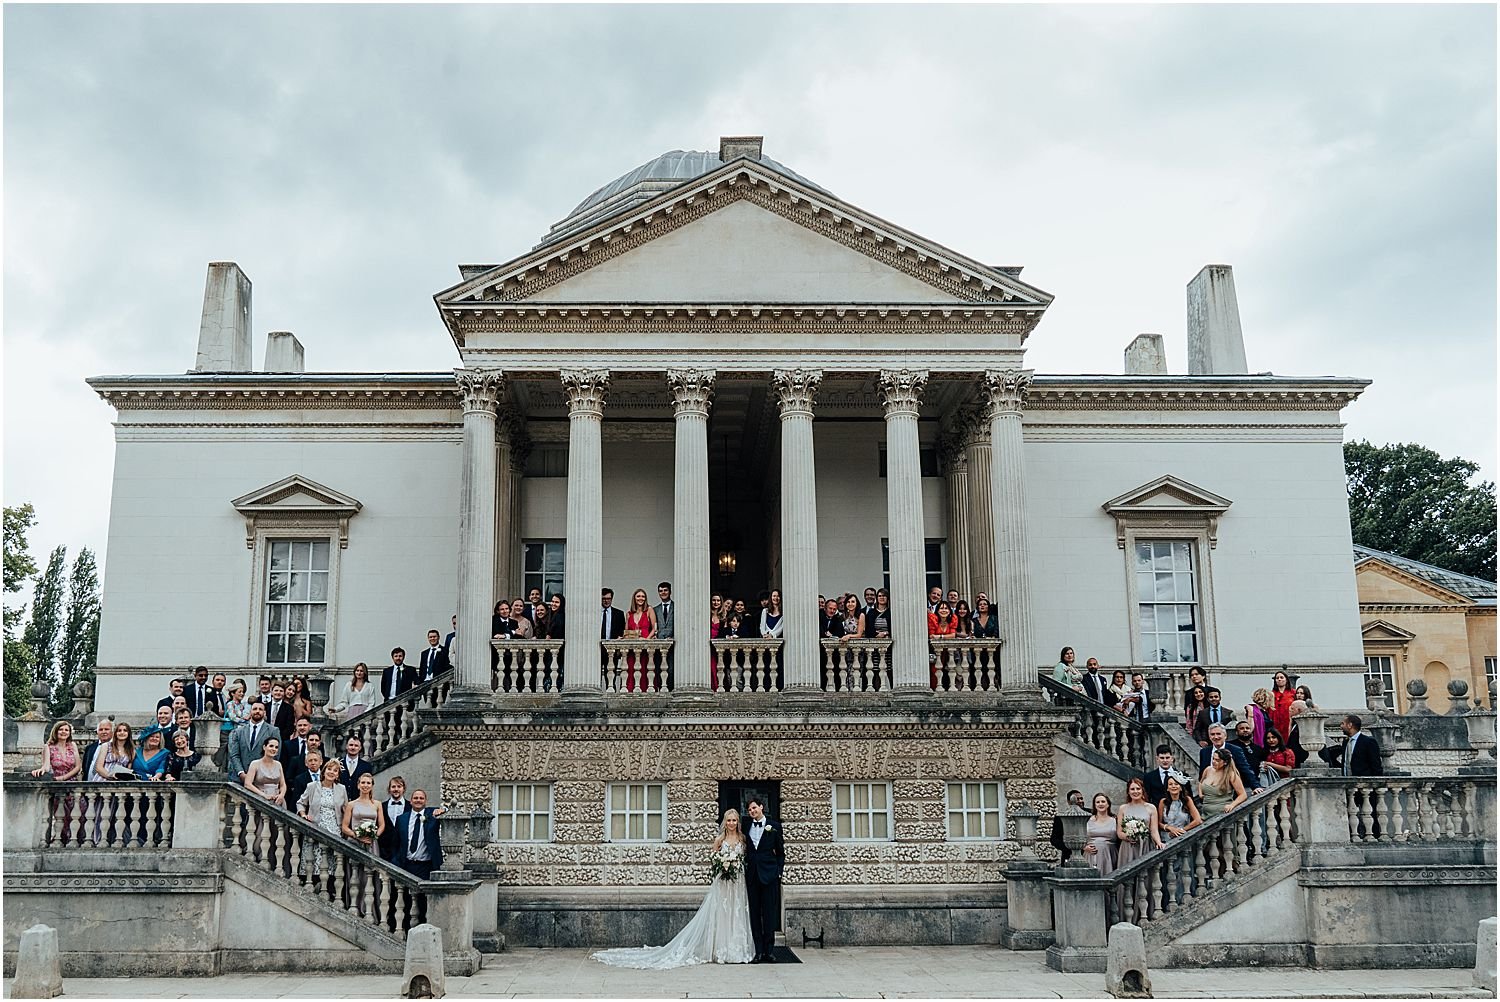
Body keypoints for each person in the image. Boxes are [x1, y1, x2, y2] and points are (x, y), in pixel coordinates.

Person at [591, 807, 755, 968]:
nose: (731, 823)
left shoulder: (743, 839)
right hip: (724, 882)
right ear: (725, 822)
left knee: (737, 912)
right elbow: (714, 860)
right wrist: (723, 865)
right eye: (729, 820)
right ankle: (722, 950)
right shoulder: (719, 840)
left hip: (738, 881)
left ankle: (738, 950)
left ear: (737, 822)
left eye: (734, 820)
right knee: (723, 913)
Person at [742, 796, 785, 963]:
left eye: (754, 808)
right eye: (750, 810)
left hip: (769, 876)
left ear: (761, 807)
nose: (752, 811)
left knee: (769, 914)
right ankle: (758, 951)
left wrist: (778, 872)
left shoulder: (774, 826)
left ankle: (769, 951)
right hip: (752, 876)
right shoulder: (746, 825)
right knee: (754, 915)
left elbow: (780, 852)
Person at [297, 759, 348, 881]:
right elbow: (300, 803)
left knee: (330, 866)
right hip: (316, 828)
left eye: (335, 771)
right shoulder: (312, 786)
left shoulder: (342, 789)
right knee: (313, 864)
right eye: (329, 769)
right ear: (324, 771)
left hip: (334, 830)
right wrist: (303, 815)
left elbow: (346, 810)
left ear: (338, 775)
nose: (332, 772)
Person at [393, 788, 445, 880]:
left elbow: (449, 810)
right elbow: (396, 843)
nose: (418, 800)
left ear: (425, 801)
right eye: (415, 798)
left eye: (421, 798)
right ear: (411, 801)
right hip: (406, 865)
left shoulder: (433, 815)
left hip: (426, 866)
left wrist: (443, 809)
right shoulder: (401, 819)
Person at [1115, 777, 1164, 868]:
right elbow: (1119, 832)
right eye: (1132, 789)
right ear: (1128, 792)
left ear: (1142, 791)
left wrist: (1158, 842)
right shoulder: (1123, 808)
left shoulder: (1151, 808)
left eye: (1138, 788)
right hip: (1128, 846)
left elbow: (1154, 830)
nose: (1135, 791)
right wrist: (1129, 836)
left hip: (1144, 844)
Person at [228, 700, 279, 786]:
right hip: (239, 779)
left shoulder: (273, 731)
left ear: (265, 712)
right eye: (255, 709)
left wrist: (261, 774)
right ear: (250, 712)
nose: (257, 711)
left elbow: (275, 755)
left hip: (262, 780)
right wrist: (241, 773)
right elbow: (234, 755)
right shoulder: (238, 731)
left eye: (260, 709)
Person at [1199, 723, 1261, 795]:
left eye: (1218, 734)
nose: (1216, 737)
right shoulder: (1204, 752)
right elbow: (1202, 774)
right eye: (1212, 734)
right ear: (1209, 737)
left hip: (1231, 792)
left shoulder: (1235, 750)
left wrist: (1256, 786)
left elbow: (1245, 769)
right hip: (1210, 792)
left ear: (1225, 736)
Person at [1319, 714, 1383, 776]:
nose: (1341, 726)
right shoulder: (1345, 742)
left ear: (1350, 725)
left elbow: (1376, 765)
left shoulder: (1368, 742)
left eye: (1343, 724)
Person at [342, 772, 385, 853]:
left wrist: (374, 836)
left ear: (372, 786)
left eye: (368, 783)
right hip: (355, 842)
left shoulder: (377, 804)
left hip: (371, 842)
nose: (365, 785)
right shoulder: (351, 804)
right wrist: (357, 836)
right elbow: (344, 827)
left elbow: (382, 825)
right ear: (358, 785)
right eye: (363, 782)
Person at [1199, 746, 1248, 815]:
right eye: (1213, 759)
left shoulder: (1231, 775)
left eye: (1217, 760)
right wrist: (1200, 794)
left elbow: (1243, 794)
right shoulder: (1208, 770)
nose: (1213, 762)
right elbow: (1200, 782)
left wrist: (1232, 805)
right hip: (1205, 812)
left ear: (1225, 762)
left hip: (1222, 813)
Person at [1081, 792, 1118, 876]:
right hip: (1090, 855)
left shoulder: (1115, 819)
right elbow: (1079, 837)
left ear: (1108, 804)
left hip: (1109, 855)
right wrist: (1084, 847)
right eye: (1098, 802)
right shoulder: (1087, 819)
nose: (1100, 804)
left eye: (1103, 801)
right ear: (1094, 805)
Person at [1158, 773, 1201, 842]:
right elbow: (1159, 823)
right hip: (1167, 837)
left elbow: (1198, 820)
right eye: (1170, 784)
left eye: (1176, 784)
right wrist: (1169, 828)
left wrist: (1181, 830)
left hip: (1184, 836)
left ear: (1181, 788)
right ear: (1167, 788)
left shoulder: (1187, 800)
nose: (1173, 786)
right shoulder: (1163, 802)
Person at [245, 736, 286, 806]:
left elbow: (283, 784)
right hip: (260, 800)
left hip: (278, 801)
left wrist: (281, 795)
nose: (274, 749)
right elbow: (247, 784)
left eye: (276, 747)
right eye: (271, 746)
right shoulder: (255, 764)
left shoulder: (278, 764)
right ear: (264, 747)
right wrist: (263, 795)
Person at [378, 776, 410, 860]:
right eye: (393, 786)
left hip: (404, 849)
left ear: (404, 789)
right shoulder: (381, 806)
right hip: (385, 850)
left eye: (399, 786)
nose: (396, 789)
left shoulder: (410, 806)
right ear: (389, 789)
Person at [927, 600, 958, 688]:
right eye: (941, 608)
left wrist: (940, 636)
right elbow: (932, 636)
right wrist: (943, 636)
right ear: (937, 610)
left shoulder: (952, 620)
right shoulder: (933, 620)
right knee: (934, 671)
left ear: (949, 610)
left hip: (948, 652)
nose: (943, 610)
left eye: (946, 608)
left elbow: (953, 635)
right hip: (935, 651)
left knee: (949, 671)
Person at [1050, 789, 1085, 863]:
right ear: (1069, 802)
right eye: (1077, 799)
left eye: (1081, 798)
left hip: (1089, 854)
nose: (1080, 801)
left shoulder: (1090, 814)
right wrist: (1070, 846)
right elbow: (1054, 839)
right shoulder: (1061, 817)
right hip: (1068, 856)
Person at [1270, 670, 1295, 741]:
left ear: (1286, 680)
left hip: (1288, 722)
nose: (1279, 679)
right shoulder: (1271, 694)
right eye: (1277, 678)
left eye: (1281, 677)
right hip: (1275, 722)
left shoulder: (1293, 693)